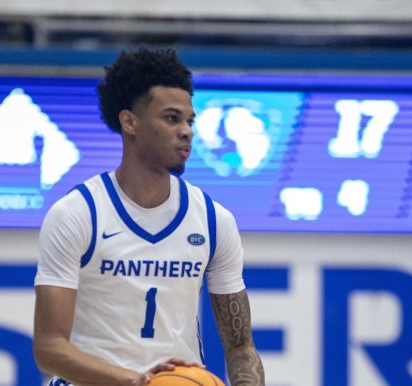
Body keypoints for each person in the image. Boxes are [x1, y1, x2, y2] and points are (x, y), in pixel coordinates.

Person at [33, 47, 265, 386]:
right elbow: (49, 348)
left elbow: (240, 345)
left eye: (189, 121)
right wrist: (135, 381)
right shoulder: (78, 213)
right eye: (172, 118)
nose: (186, 131)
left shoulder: (214, 221)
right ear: (130, 122)